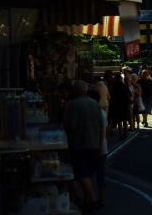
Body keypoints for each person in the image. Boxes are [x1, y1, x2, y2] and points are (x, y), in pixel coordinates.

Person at [63, 80, 104, 213]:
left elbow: (72, 126)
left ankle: (91, 199)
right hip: (93, 143)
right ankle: (88, 201)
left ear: (76, 91)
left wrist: (66, 127)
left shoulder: (75, 104)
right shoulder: (95, 104)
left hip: (79, 143)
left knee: (81, 173)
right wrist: (99, 144)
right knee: (89, 173)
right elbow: (100, 126)